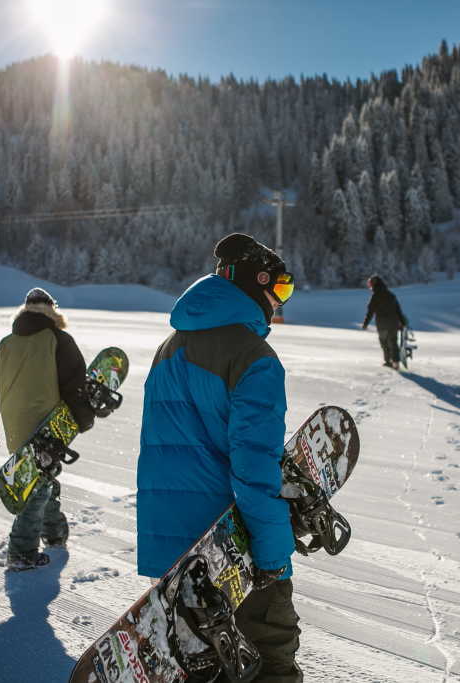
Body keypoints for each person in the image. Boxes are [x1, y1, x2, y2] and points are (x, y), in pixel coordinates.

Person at [138, 233, 300, 682]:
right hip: (231, 550)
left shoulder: (168, 347)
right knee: (270, 660)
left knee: (201, 669)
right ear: (257, 283)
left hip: (171, 549)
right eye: (280, 288)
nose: (280, 301)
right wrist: (272, 554)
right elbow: (253, 466)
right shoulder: (254, 357)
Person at [0, 287, 98, 571]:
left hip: (16, 428)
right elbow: (75, 386)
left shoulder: (6, 344)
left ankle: (55, 535)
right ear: (53, 311)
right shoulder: (58, 340)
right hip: (48, 427)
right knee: (36, 488)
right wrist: (84, 418)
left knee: (41, 479)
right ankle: (21, 551)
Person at [362, 274, 409, 368]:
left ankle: (388, 361)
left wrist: (365, 324)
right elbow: (398, 310)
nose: (370, 286)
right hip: (393, 323)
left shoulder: (375, 296)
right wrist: (403, 322)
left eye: (370, 284)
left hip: (382, 324)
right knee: (393, 342)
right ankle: (396, 363)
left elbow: (370, 311)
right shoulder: (391, 295)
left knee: (384, 342)